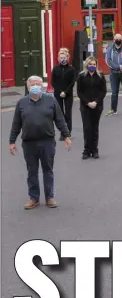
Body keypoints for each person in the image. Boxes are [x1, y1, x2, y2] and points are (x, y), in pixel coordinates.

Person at [9, 76, 72, 210]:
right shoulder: (21, 103)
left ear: (42, 86)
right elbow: (16, 124)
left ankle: (49, 197)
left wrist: (66, 135)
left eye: (38, 84)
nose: (36, 86)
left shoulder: (51, 100)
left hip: (47, 141)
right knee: (32, 171)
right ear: (28, 87)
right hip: (29, 143)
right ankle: (34, 198)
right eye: (33, 84)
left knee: (47, 170)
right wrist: (12, 141)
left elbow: (60, 119)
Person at [76, 57, 108, 159]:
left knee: (94, 128)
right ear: (87, 65)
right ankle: (86, 150)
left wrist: (96, 102)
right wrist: (87, 102)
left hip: (97, 106)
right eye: (90, 64)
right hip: (85, 106)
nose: (92, 66)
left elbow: (103, 91)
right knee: (87, 128)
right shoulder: (81, 76)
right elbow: (79, 92)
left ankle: (95, 150)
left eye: (94, 64)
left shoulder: (100, 76)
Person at [51, 48, 76, 140]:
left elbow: (72, 82)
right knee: (60, 113)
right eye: (61, 58)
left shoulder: (71, 69)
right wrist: (60, 91)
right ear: (58, 59)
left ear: (68, 58)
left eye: (64, 57)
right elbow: (53, 82)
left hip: (68, 94)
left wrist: (65, 92)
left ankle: (68, 132)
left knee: (68, 113)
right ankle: (63, 133)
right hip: (58, 94)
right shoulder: (56, 69)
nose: (63, 59)